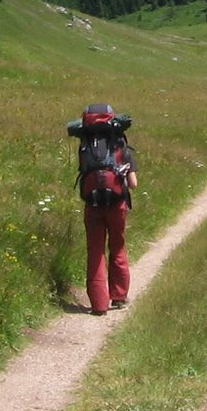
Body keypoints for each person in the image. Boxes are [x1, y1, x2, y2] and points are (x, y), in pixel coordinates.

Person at [73, 104, 139, 314]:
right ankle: (119, 296)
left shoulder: (85, 145)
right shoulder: (120, 145)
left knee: (95, 250)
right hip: (117, 205)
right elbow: (134, 183)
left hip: (92, 205)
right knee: (117, 246)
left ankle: (99, 304)